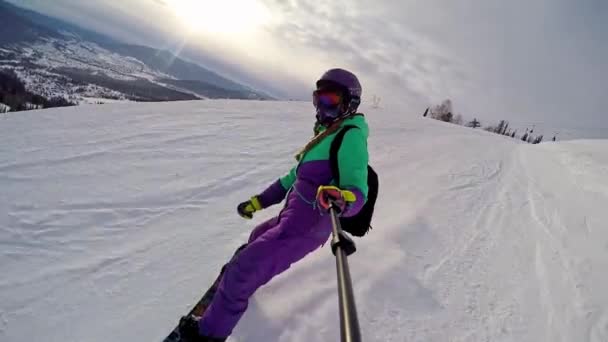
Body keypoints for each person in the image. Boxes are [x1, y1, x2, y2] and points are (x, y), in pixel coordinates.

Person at [178, 68, 371, 342]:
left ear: (349, 103)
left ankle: (207, 335)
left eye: (330, 99)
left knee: (242, 270)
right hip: (289, 218)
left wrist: (342, 198)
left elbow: (357, 191)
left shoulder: (349, 136)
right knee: (255, 237)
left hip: (305, 228)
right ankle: (240, 284)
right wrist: (256, 202)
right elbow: (290, 181)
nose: (322, 106)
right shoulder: (325, 136)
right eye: (318, 98)